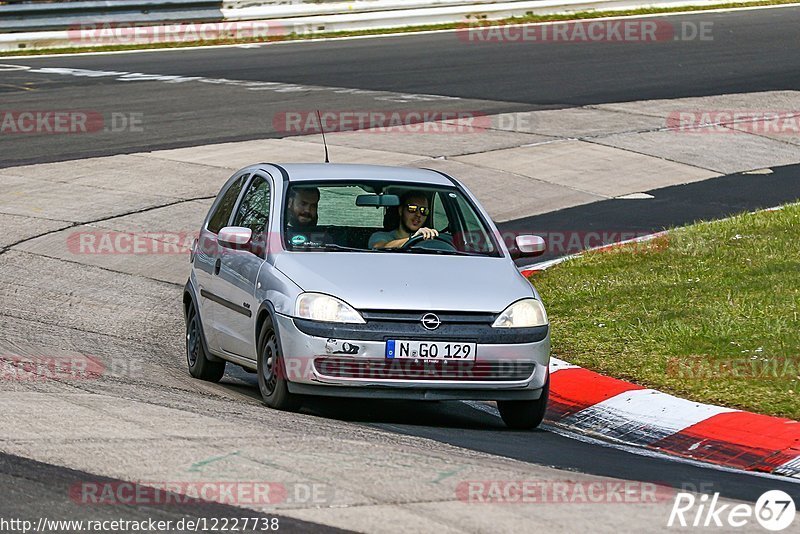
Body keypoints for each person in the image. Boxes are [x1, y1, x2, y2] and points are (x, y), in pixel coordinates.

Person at [369, 191, 439, 249]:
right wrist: (413, 239)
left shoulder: (430, 240)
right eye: (412, 208)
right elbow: (379, 247)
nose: (418, 214)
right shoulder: (380, 236)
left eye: (424, 211)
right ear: (401, 211)